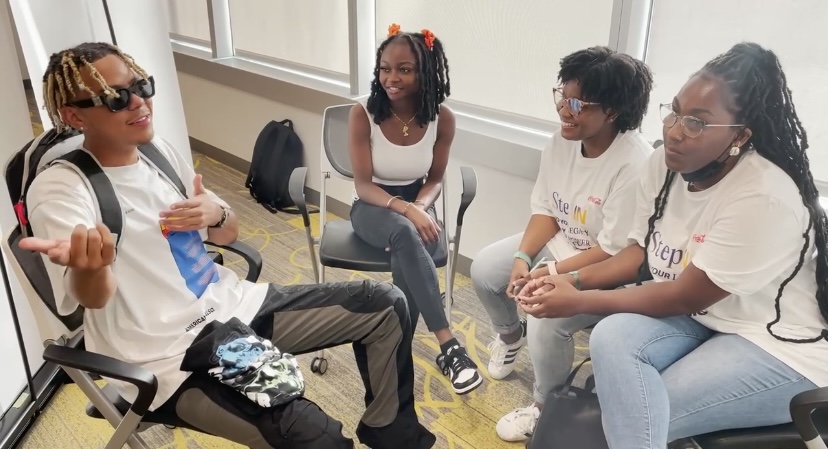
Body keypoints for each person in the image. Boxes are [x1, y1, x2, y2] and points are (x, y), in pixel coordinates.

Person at [21, 42, 436, 449]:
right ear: (73, 115)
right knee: (316, 437)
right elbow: (89, 300)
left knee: (384, 304)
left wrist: (215, 215)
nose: (138, 103)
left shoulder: (157, 152)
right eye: (114, 98)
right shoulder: (61, 189)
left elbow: (228, 235)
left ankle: (391, 434)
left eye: (141, 85)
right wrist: (91, 267)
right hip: (167, 356)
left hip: (230, 308)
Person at [518, 42, 828, 449]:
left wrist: (577, 299)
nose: (675, 130)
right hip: (707, 318)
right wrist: (570, 278)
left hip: (774, 343)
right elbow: (636, 255)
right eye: (675, 112)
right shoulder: (663, 165)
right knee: (610, 337)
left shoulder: (763, 195)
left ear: (740, 136)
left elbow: (685, 294)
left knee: (624, 423)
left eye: (697, 123)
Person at [469, 46, 654, 441]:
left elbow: (614, 251)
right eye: (561, 96)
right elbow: (547, 210)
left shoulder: (634, 164)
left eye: (577, 103)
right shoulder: (561, 141)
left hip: (608, 268)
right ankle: (508, 336)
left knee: (545, 318)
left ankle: (545, 404)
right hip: (561, 247)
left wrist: (548, 273)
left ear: (613, 111)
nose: (563, 110)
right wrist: (523, 256)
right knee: (485, 269)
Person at [348, 24, 482, 395]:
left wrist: (420, 205)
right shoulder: (363, 113)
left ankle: (395, 347)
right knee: (406, 233)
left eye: (404, 69)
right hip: (373, 206)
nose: (391, 78)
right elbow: (363, 185)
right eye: (385, 68)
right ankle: (448, 345)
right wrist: (408, 211)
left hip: (418, 204)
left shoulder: (443, 118)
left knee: (406, 247)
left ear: (424, 71)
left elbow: (436, 178)